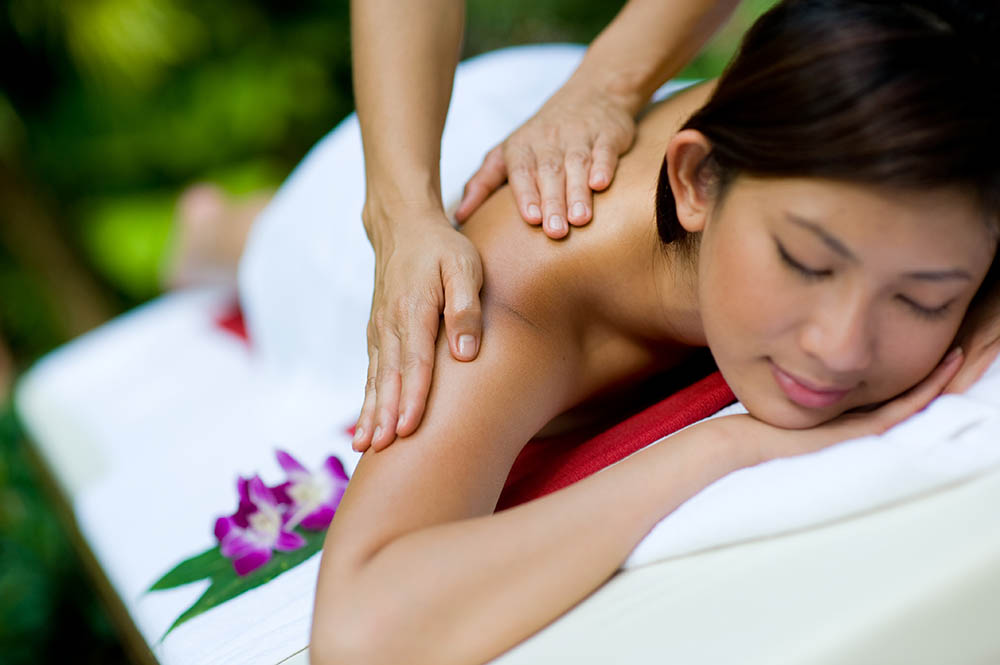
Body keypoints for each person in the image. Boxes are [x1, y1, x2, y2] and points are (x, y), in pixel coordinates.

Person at [307, 1, 1000, 663]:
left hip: (603, 94)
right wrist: (723, 444)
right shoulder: (505, 299)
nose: (841, 348)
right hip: (351, 214)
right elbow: (363, 629)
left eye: (920, 299)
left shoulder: (927, 157)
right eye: (806, 263)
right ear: (697, 180)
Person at [351, 0, 743, 452]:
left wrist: (605, 89)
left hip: (597, 87)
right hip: (440, 129)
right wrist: (401, 219)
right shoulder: (505, 280)